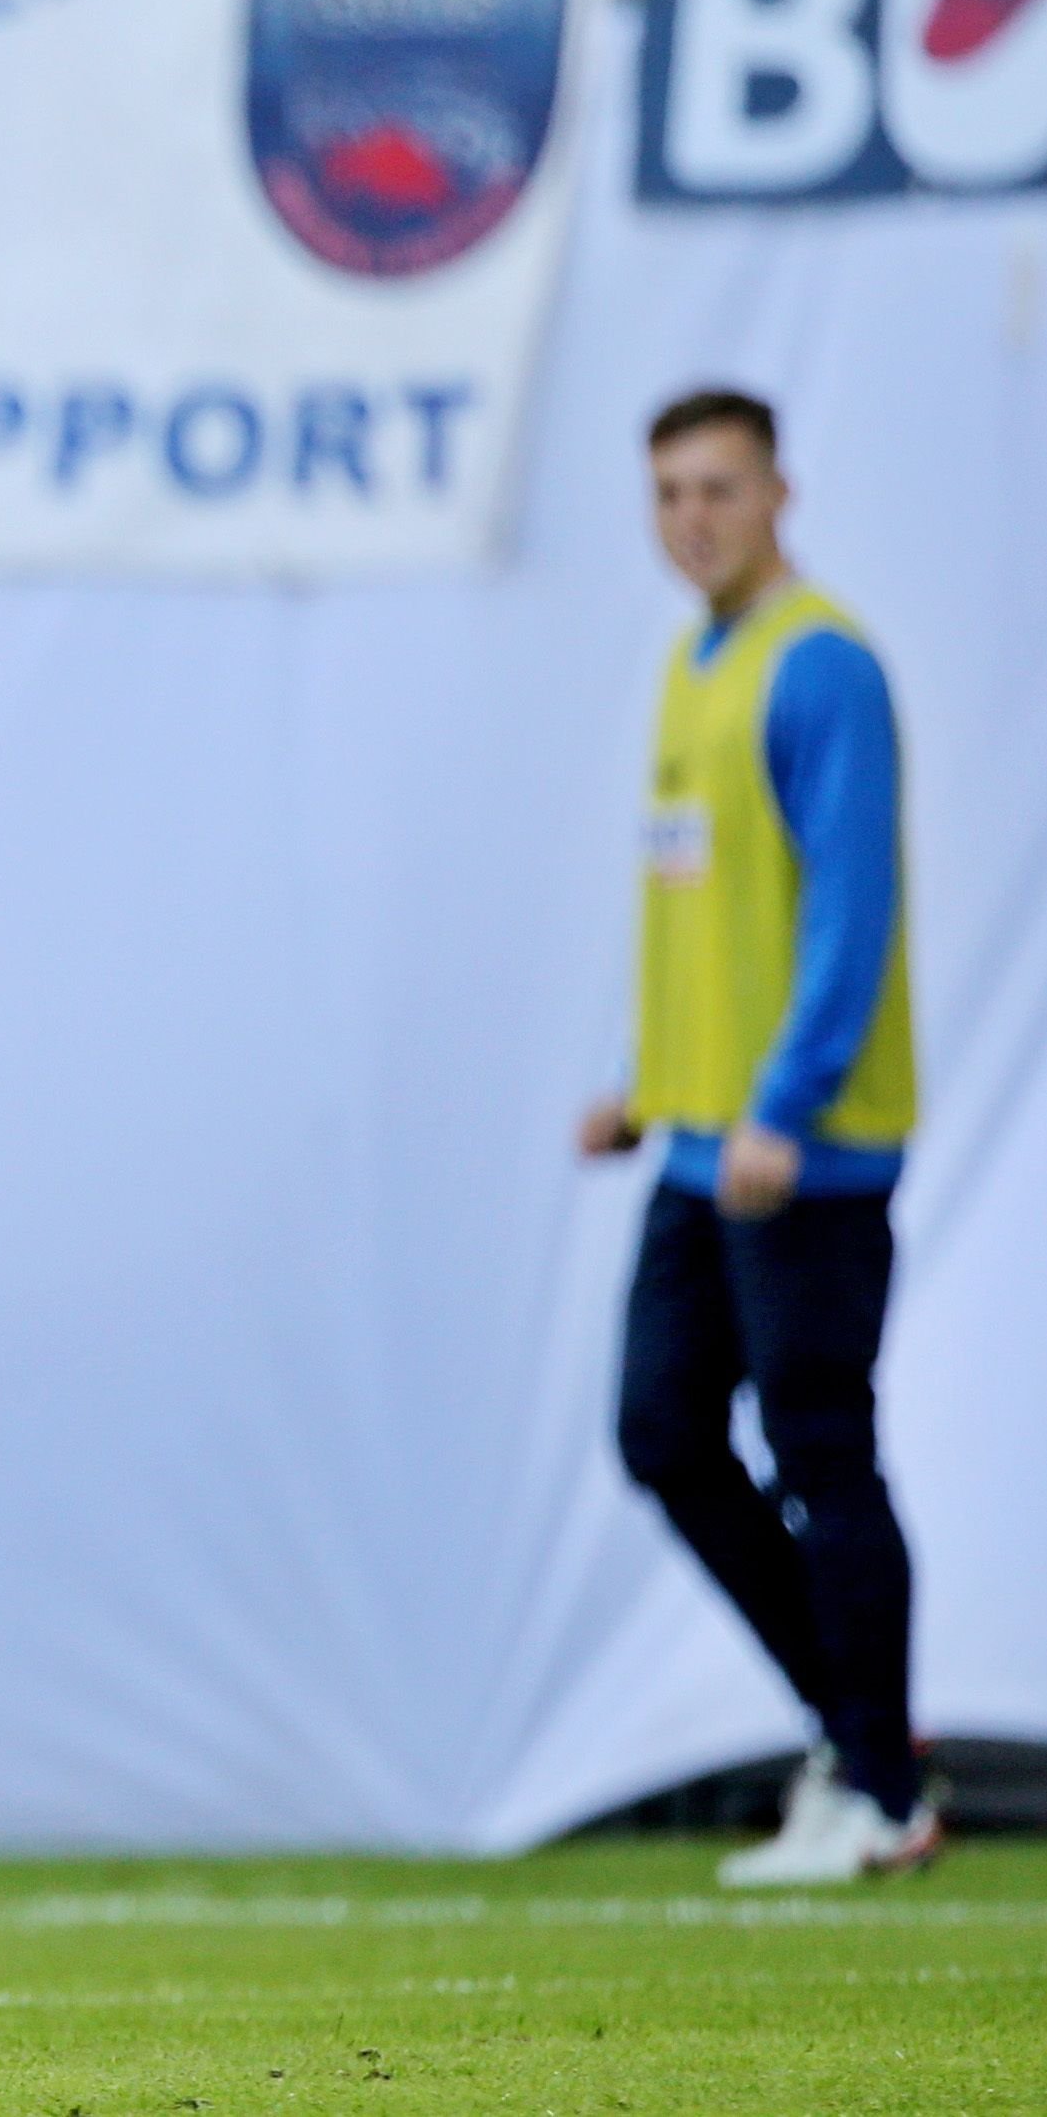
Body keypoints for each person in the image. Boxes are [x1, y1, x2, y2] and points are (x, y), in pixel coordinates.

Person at [577, 388, 932, 1889]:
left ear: (778, 491)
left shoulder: (818, 665)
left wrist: (781, 1106)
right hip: (696, 1144)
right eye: (666, 492)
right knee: (660, 1429)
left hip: (798, 1150)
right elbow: (707, 911)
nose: (691, 519)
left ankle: (872, 1779)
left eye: (716, 488)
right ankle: (859, 1738)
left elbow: (848, 916)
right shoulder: (689, 662)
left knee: (817, 1452)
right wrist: (645, 1084)